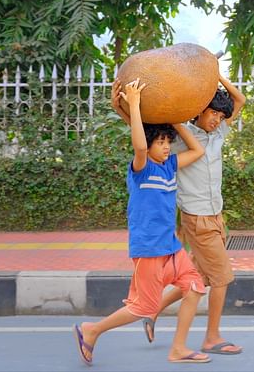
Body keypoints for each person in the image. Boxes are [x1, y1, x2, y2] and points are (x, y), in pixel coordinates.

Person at [73, 78, 211, 366]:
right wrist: (134, 105)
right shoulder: (141, 169)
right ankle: (93, 330)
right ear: (148, 147)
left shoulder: (170, 166)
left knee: (195, 286)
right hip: (148, 249)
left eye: (166, 143)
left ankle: (179, 348)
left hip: (171, 248)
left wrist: (174, 123)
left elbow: (198, 151)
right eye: (159, 143)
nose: (165, 148)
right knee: (142, 308)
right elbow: (138, 145)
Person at [112, 73, 246, 355]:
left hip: (215, 216)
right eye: (213, 115)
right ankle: (211, 338)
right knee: (221, 278)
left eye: (222, 117)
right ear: (199, 111)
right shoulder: (179, 140)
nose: (217, 121)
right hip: (196, 218)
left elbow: (240, 100)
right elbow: (145, 139)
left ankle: (153, 311)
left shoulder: (219, 132)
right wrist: (121, 108)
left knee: (199, 277)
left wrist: (214, 75)